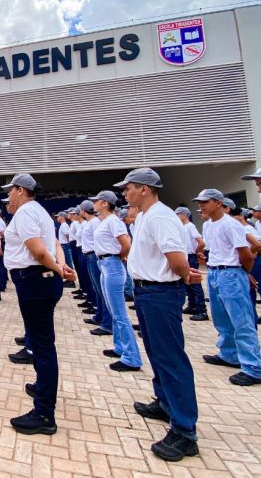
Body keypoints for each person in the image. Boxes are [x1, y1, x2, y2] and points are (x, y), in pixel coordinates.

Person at [114, 168, 200, 462]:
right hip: (148, 292)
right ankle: (165, 403)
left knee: (170, 358)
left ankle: (185, 431)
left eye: (129, 188)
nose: (125, 194)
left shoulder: (161, 216)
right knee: (156, 352)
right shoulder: (146, 216)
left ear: (145, 189)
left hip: (161, 293)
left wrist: (186, 276)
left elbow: (177, 260)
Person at [1, 174, 74, 435]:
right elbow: (53, 245)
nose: (8, 195)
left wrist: (59, 269)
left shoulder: (25, 212)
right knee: (42, 342)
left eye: (11, 190)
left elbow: (39, 251)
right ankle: (43, 386)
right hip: (39, 279)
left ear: (21, 190)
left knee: (42, 346)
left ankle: (44, 412)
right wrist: (61, 266)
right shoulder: (39, 212)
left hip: (35, 280)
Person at [194, 189, 261, 386]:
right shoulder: (207, 225)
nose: (201, 205)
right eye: (200, 202)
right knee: (221, 317)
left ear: (218, 202)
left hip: (230, 273)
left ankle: (253, 366)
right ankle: (229, 354)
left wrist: (242, 273)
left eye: (205, 202)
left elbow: (246, 254)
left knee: (242, 320)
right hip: (215, 272)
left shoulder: (231, 224)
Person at [90, 190, 142, 371]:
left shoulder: (113, 221)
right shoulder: (106, 221)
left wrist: (118, 257)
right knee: (113, 310)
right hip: (104, 263)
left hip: (111, 264)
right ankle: (120, 346)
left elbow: (126, 244)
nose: (94, 204)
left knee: (120, 313)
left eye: (96, 201)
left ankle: (132, 357)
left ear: (105, 203)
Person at [80, 200, 113, 336]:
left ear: (83, 210)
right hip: (90, 256)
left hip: (94, 255)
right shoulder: (91, 222)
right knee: (97, 289)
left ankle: (106, 322)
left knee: (101, 290)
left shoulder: (94, 222)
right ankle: (99, 316)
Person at [175, 207, 208, 321]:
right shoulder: (182, 227)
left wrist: (197, 251)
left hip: (191, 256)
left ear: (184, 215)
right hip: (185, 256)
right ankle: (192, 305)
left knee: (195, 284)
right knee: (187, 283)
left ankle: (202, 310)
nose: (177, 216)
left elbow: (201, 242)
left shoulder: (190, 226)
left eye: (178, 214)